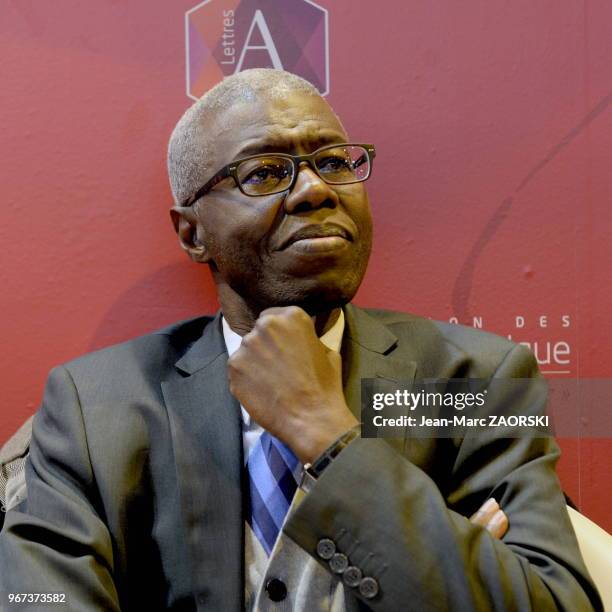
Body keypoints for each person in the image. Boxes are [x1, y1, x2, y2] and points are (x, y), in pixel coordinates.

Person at [0, 69, 602, 611]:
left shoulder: (464, 384)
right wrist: (441, 555)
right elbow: (36, 598)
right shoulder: (94, 406)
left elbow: (550, 604)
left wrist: (330, 439)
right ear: (191, 234)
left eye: (335, 162)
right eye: (264, 172)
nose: (315, 189)